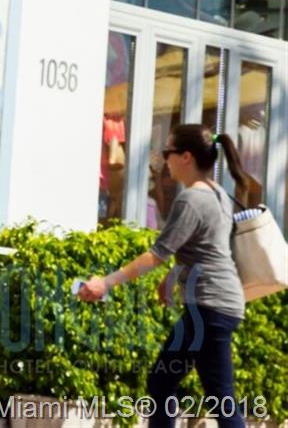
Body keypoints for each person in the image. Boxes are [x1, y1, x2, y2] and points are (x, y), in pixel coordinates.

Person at [77, 124, 249, 428]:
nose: (164, 159)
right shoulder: (218, 194)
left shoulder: (192, 199)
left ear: (186, 157)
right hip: (216, 304)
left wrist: (105, 282)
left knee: (217, 398)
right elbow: (203, 247)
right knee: (163, 382)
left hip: (210, 307)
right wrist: (171, 278)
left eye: (168, 152)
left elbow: (157, 254)